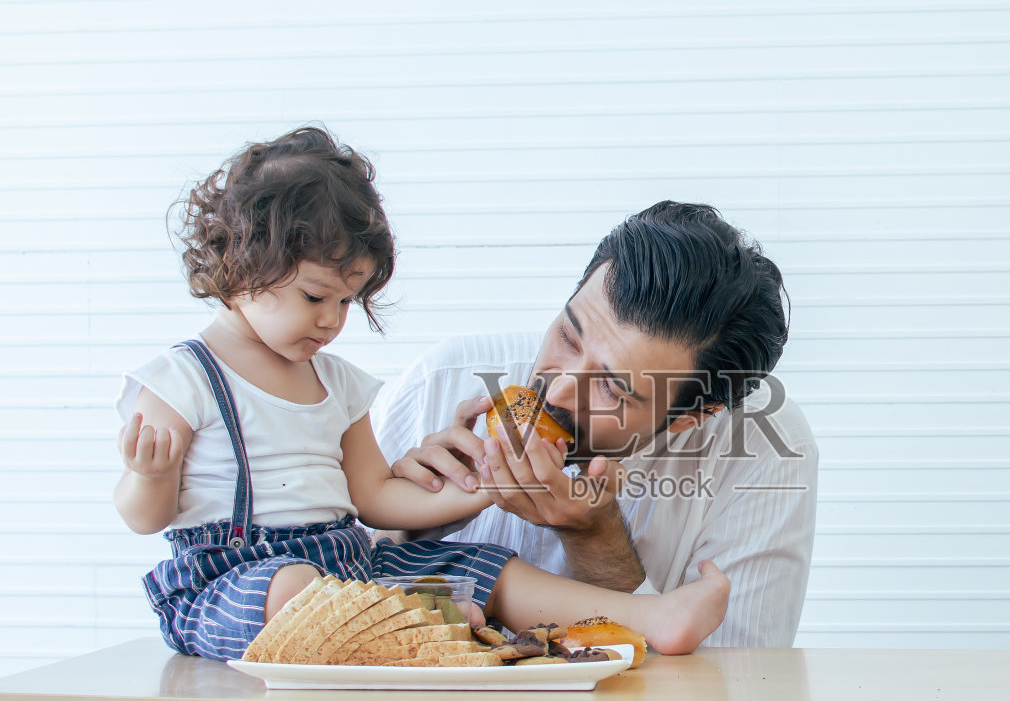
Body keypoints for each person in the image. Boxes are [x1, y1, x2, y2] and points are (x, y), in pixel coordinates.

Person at [299, 202, 820, 701]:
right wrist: (408, 518)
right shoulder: (447, 381)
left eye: (615, 388)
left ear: (687, 418)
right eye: (569, 334)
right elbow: (325, 620)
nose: (560, 387)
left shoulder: (765, 449)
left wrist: (593, 535)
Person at [111, 128, 729, 663]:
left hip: (349, 566)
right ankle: (436, 628)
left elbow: (375, 498)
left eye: (347, 301)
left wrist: (490, 484)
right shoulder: (182, 380)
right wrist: (150, 476)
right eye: (316, 297)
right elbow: (144, 518)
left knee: (488, 568)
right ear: (240, 263)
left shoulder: (338, 384)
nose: (332, 321)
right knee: (295, 589)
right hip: (230, 582)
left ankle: (652, 617)